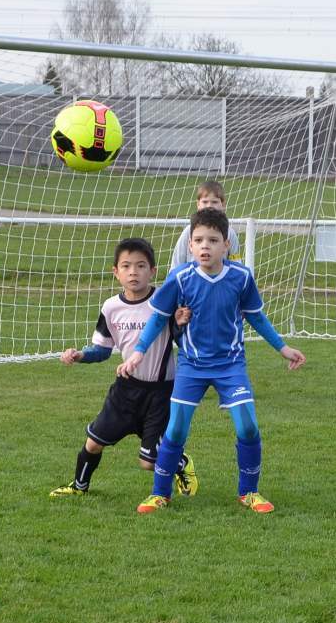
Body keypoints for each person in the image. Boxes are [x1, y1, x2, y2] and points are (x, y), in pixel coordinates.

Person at [120, 208, 305, 515]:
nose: (205, 246)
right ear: (190, 245)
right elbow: (159, 318)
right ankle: (160, 494)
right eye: (198, 240)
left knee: (248, 426)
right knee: (176, 430)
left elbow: (256, 317)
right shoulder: (180, 278)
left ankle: (249, 492)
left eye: (213, 240)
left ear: (226, 245)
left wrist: (282, 348)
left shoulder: (241, 277)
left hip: (231, 365)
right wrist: (139, 351)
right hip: (192, 366)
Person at [50, 237, 197, 500]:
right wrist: (80, 355)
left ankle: (181, 462)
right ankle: (79, 487)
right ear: (115, 272)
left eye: (141, 266)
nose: (133, 272)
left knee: (149, 463)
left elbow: (179, 339)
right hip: (125, 390)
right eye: (126, 266)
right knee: (93, 443)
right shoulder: (111, 308)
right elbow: (102, 350)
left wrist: (179, 323)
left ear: (152, 271)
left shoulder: (164, 300)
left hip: (160, 393)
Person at [169, 179, 233, 269]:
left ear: (223, 204)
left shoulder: (230, 233)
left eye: (214, 202)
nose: (209, 206)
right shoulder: (188, 231)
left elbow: (236, 262)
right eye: (205, 202)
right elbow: (176, 264)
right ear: (198, 204)